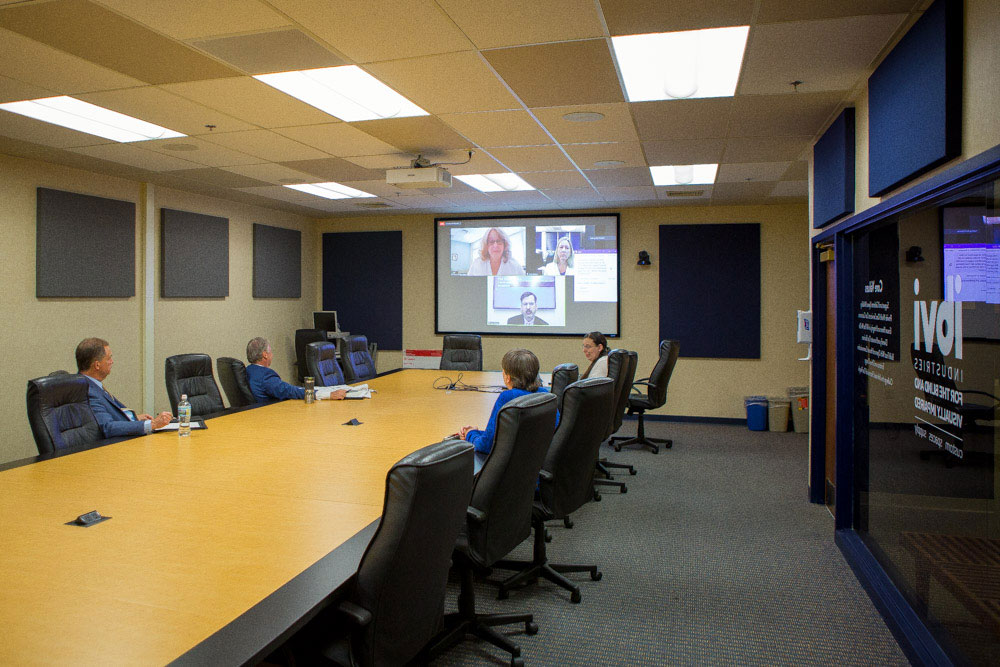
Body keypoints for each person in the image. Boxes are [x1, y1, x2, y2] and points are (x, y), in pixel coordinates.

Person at [459, 349, 551, 455]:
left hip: (510, 465)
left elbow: (486, 445)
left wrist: (470, 434)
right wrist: (477, 432)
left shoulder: (508, 398)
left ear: (507, 377)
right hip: (535, 459)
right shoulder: (546, 395)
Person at [77, 337, 173, 438]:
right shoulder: (87, 391)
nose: (112, 362)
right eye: (109, 358)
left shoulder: (91, 384)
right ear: (97, 365)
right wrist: (152, 424)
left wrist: (133, 418)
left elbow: (109, 414)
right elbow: (107, 427)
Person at [245, 337, 346, 402]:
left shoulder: (249, 371)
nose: (272, 354)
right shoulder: (266, 376)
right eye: (271, 352)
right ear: (265, 355)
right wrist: (328, 394)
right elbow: (289, 391)